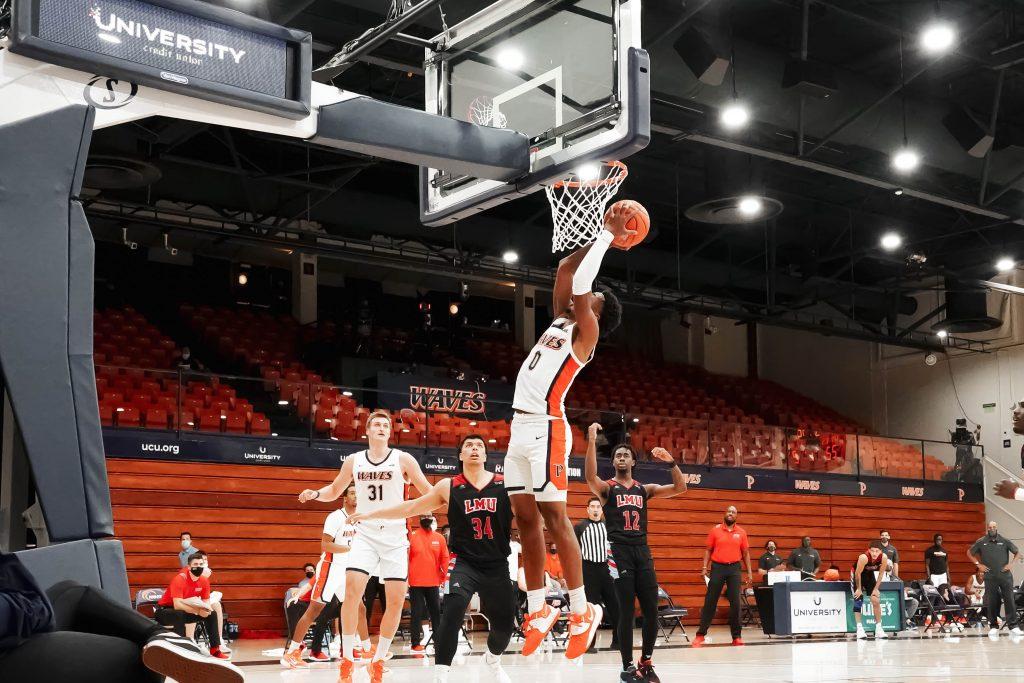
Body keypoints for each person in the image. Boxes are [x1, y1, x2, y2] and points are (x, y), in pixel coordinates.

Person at [504, 204, 630, 659]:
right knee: (524, 520)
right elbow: (564, 269)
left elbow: (580, 286)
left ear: (598, 310)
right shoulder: (562, 317)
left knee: (555, 519)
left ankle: (582, 610)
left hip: (548, 428)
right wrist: (584, 222)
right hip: (519, 428)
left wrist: (607, 237)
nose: (586, 296)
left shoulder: (587, 332)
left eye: (593, 297)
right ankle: (538, 608)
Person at [348, 434, 515, 683]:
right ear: (460, 455)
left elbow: (530, 513)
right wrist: (371, 513)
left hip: (497, 563)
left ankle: (492, 659)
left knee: (505, 626)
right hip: (464, 562)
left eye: (479, 445)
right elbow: (410, 507)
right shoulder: (448, 486)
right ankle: (441, 675)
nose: (474, 449)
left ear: (486, 455)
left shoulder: (505, 484)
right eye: (468, 445)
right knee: (452, 610)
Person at [298, 410, 432, 683]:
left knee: (395, 602)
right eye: (377, 425)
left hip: (395, 538)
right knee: (351, 593)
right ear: (367, 431)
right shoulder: (354, 461)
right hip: (365, 536)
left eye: (386, 425)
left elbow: (429, 491)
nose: (382, 428)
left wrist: (435, 504)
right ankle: (347, 659)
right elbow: (335, 490)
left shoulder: (403, 459)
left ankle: (378, 660)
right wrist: (315, 493)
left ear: (389, 432)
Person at [0, 552, 243, 683]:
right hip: (168, 610)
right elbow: (177, 603)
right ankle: (169, 639)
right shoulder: (180, 579)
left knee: (72, 590)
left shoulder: (202, 580)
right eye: (197, 563)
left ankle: (170, 639)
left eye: (203, 563)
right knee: (142, 659)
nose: (200, 566)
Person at [584, 425, 687, 683]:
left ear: (633, 461)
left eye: (625, 455)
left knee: (651, 609)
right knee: (626, 611)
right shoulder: (607, 489)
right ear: (614, 461)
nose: (621, 457)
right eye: (617, 455)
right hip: (619, 552)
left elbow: (680, 487)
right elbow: (589, 477)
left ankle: (646, 662)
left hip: (642, 551)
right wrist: (592, 440)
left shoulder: (645, 489)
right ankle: (627, 666)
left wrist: (671, 462)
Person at [281, 484, 357, 668]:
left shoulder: (360, 518)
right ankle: (291, 653)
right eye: (353, 493)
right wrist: (351, 549)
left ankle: (351, 651)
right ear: (345, 497)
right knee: (313, 611)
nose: (357, 497)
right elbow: (325, 545)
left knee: (356, 608)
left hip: (346, 570)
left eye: (359, 493)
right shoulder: (335, 517)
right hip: (330, 567)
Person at [693, 505, 752, 648]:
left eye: (733, 512)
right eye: (729, 511)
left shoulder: (741, 532)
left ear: (736, 516)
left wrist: (749, 572)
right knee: (710, 601)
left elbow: (745, 553)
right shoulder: (715, 530)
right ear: (725, 514)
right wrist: (704, 567)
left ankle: (736, 637)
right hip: (718, 567)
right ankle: (700, 635)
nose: (731, 513)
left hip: (734, 569)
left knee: (736, 603)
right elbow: (708, 550)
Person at [153, 550, 229, 659]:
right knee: (178, 613)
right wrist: (197, 611)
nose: (198, 567)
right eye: (195, 564)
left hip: (186, 610)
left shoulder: (204, 581)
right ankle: (181, 648)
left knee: (211, 614)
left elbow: (206, 602)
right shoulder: (179, 579)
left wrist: (205, 610)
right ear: (189, 567)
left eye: (201, 564)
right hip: (164, 611)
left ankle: (215, 649)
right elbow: (177, 605)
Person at [574, 494, 619, 650]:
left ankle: (618, 641)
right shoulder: (580, 527)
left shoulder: (609, 525)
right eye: (592, 507)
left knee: (616, 606)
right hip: (589, 569)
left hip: (607, 569)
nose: (595, 509)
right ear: (587, 509)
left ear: (602, 510)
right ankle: (590, 644)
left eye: (598, 507)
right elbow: (573, 550)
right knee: (590, 608)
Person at [967, 521, 1023, 637]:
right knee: (992, 601)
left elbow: (1017, 553)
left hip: (1005, 576)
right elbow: (969, 552)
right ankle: (993, 626)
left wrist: (1011, 564)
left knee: (1009, 600)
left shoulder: (1004, 541)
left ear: (996, 528)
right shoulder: (981, 542)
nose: (991, 529)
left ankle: (1013, 626)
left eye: (994, 527)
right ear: (988, 528)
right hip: (990, 577)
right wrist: (978, 564)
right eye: (990, 527)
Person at [408, 515, 449, 655]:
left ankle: (439, 642)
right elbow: (406, 558)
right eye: (423, 516)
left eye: (429, 516)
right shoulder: (412, 537)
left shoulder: (439, 538)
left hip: (433, 582)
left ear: (433, 519)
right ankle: (415, 643)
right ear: (420, 519)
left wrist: (443, 577)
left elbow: (445, 558)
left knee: (436, 613)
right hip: (415, 582)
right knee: (416, 613)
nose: (426, 518)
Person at [852, 541, 890, 639]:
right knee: (858, 599)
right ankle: (859, 629)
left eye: (877, 551)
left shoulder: (884, 557)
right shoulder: (863, 557)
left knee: (875, 599)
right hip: (857, 574)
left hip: (869, 575)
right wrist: (859, 589)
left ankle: (878, 629)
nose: (874, 553)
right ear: (869, 550)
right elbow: (857, 574)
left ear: (880, 551)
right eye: (872, 551)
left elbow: (881, 574)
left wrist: (876, 589)